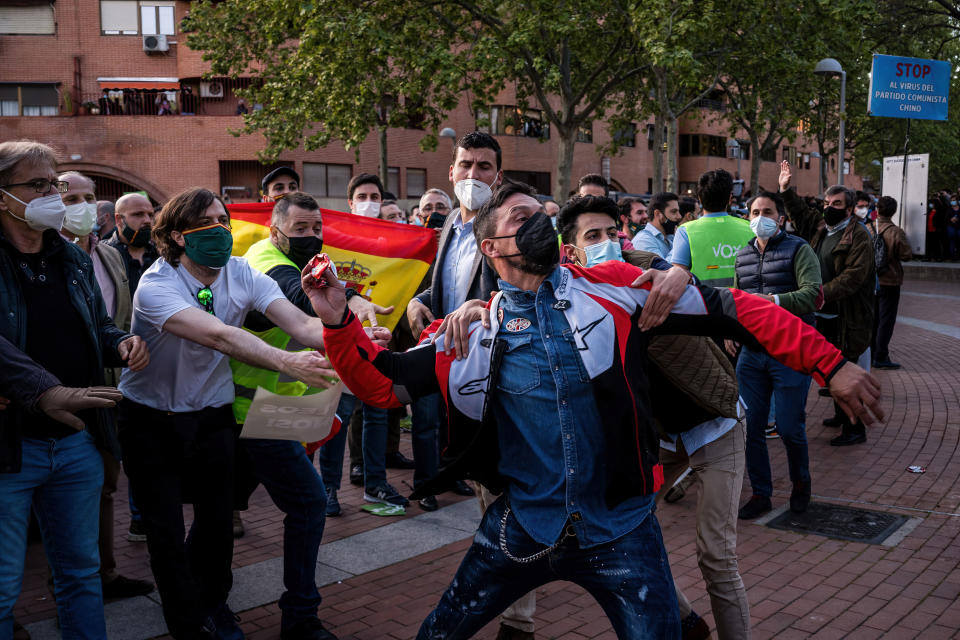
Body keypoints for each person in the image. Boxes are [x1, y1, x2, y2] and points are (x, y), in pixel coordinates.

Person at [309, 181, 883, 640]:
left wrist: (831, 366)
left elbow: (741, 311)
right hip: (519, 530)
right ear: (492, 249)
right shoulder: (465, 334)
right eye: (518, 218)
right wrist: (337, 321)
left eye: (540, 213)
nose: (536, 223)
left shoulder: (617, 288)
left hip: (621, 529)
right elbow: (382, 385)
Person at [116, 187, 347, 639]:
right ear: (180, 236)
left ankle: (214, 605)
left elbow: (300, 324)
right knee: (164, 529)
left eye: (225, 219)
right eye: (209, 223)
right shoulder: (157, 285)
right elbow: (220, 336)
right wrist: (285, 361)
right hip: (150, 419)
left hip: (213, 416)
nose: (223, 231)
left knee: (217, 521)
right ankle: (187, 624)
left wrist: (348, 330)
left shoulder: (241, 273)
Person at [557, 194, 746, 638]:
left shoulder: (645, 269)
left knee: (715, 555)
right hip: (659, 435)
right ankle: (687, 623)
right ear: (571, 250)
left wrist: (679, 272)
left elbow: (676, 275)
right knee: (619, 535)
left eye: (612, 233)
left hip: (715, 419)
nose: (607, 244)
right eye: (593, 236)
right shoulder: (568, 293)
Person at [0, 140, 149, 640]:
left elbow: (96, 327)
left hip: (77, 443)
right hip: (9, 447)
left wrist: (121, 343)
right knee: (2, 588)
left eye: (55, 184)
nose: (52, 195)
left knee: (81, 576)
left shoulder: (73, 259)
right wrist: (43, 390)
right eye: (37, 185)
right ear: (3, 196)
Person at [230, 191, 390, 639]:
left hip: (277, 411)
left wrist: (359, 333)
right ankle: (287, 614)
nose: (310, 236)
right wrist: (352, 303)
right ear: (274, 230)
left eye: (316, 228)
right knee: (304, 504)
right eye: (299, 229)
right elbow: (295, 294)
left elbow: (321, 321)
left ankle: (234, 604)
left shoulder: (317, 262)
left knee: (230, 510)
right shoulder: (264, 260)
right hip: (245, 411)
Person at [59, 171, 156, 599]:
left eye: (88, 196)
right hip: (58, 391)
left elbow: (111, 321)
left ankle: (104, 575)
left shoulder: (106, 255)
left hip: (112, 386)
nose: (80, 205)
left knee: (106, 480)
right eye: (68, 197)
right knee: (65, 491)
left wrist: (126, 347)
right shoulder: (35, 257)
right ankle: (69, 582)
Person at [732, 191, 822, 520]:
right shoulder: (742, 254)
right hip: (752, 354)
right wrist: (733, 331)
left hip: (790, 351)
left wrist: (772, 303)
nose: (759, 217)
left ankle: (801, 484)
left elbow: (812, 294)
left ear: (781, 217)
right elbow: (736, 299)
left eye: (767, 211)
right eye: (754, 211)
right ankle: (761, 493)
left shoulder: (799, 248)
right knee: (749, 428)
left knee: (788, 427)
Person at [778, 160, 876, 446]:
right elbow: (800, 213)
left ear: (849, 209)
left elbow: (852, 278)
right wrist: (785, 189)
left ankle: (855, 429)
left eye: (836, 203)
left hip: (848, 317)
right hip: (824, 315)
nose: (828, 207)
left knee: (845, 369)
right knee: (830, 367)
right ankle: (840, 415)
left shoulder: (859, 236)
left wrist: (817, 294)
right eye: (826, 202)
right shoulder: (822, 228)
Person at [672, 169, 754, 287]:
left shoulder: (685, 231)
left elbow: (677, 276)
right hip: (745, 301)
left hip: (703, 302)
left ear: (699, 198)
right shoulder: (749, 227)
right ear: (730, 198)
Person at [872, 196, 913, 369]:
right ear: (893, 211)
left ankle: (871, 353)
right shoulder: (896, 232)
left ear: (877, 209)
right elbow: (906, 255)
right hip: (890, 280)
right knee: (886, 320)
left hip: (871, 280)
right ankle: (881, 356)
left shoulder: (867, 228)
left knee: (873, 319)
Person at [633, 192, 680, 260]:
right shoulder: (643, 240)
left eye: (678, 211)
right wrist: (679, 243)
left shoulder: (670, 237)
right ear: (658, 214)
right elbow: (663, 269)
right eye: (673, 211)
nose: (679, 216)